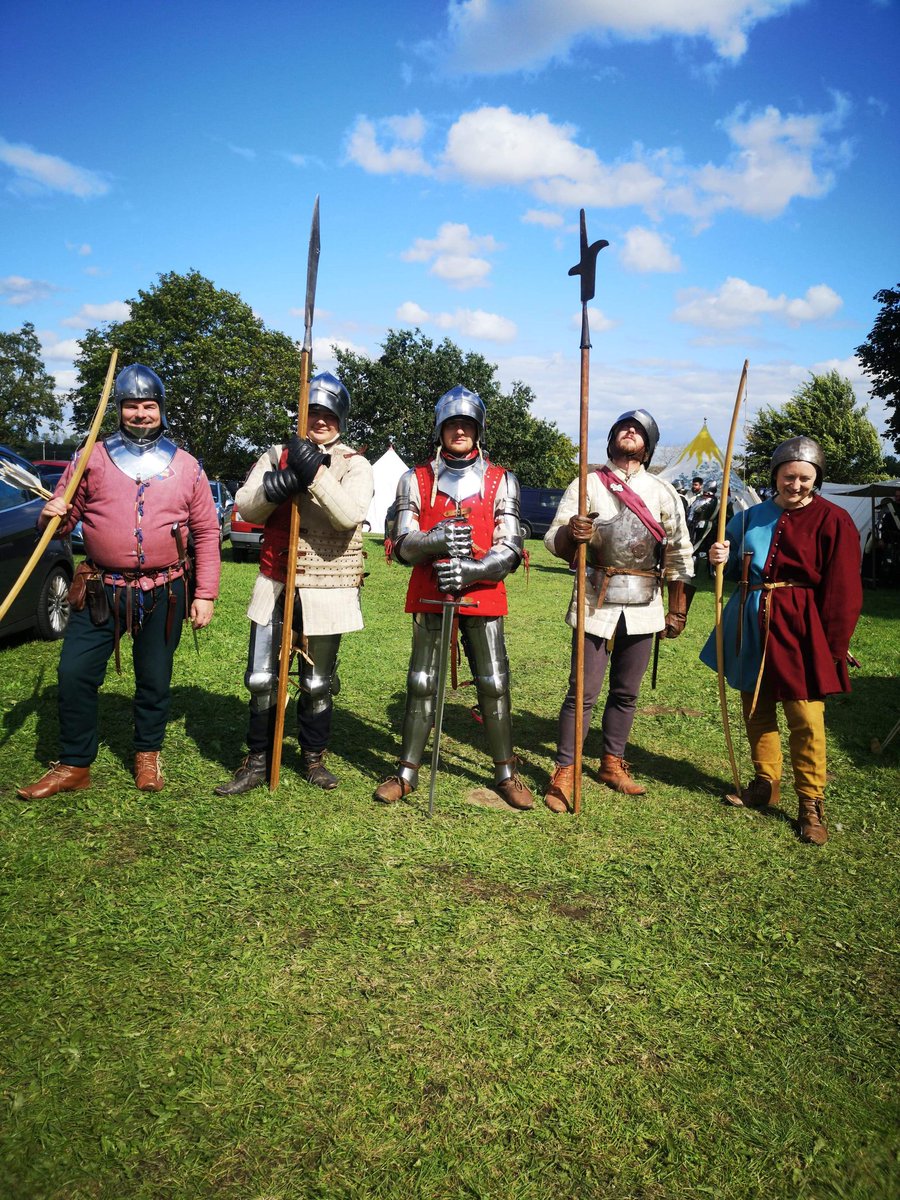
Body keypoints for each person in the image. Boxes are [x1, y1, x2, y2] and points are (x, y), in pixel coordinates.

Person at [17, 364, 220, 798]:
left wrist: (204, 593)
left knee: (154, 677)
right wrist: (50, 514)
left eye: (149, 406)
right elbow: (64, 515)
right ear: (120, 409)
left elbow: (206, 532)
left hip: (166, 588)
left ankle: (147, 754)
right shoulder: (91, 456)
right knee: (73, 673)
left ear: (161, 410)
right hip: (99, 588)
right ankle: (74, 764)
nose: (141, 413)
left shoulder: (186, 466)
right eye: (132, 406)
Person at [374, 385, 533, 810]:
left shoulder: (502, 480)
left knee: (494, 681)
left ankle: (505, 771)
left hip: (482, 590)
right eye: (451, 424)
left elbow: (511, 545)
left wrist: (475, 569)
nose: (458, 430)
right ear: (440, 429)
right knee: (422, 681)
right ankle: (406, 771)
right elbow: (404, 544)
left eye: (466, 424)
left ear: (477, 429)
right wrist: (435, 539)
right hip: (431, 589)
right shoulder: (415, 479)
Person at [214, 373, 374, 794]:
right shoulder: (275, 455)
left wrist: (316, 476)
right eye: (311, 412)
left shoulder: (354, 464)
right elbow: (246, 506)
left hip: (328, 584)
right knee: (261, 678)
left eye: (326, 413)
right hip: (277, 577)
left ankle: (313, 756)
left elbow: (348, 515)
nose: (319, 420)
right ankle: (258, 760)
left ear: (339, 417)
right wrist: (282, 482)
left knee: (317, 682)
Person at [700, 437, 863, 845]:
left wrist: (833, 645)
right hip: (752, 619)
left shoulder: (834, 519)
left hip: (802, 625)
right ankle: (765, 782)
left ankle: (810, 802)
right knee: (756, 704)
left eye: (805, 478)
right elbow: (729, 562)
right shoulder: (751, 516)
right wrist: (718, 557)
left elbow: (843, 589)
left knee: (806, 716)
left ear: (816, 479)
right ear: (775, 476)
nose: (797, 484)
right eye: (789, 476)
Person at [543, 410, 694, 812]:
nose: (631, 431)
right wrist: (570, 534)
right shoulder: (587, 483)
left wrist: (677, 610)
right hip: (596, 596)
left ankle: (611, 763)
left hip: (645, 601)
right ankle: (566, 769)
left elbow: (679, 550)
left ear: (648, 444)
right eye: (624, 427)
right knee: (583, 693)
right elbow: (551, 540)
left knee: (626, 693)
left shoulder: (662, 491)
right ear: (612, 439)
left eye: (639, 429)